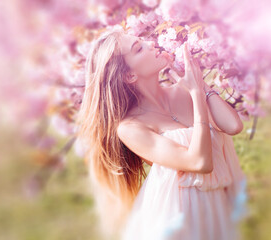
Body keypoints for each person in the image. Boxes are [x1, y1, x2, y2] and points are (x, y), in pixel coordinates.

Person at [76, 29, 249, 240]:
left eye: (143, 41)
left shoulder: (183, 91)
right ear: (129, 75)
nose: (151, 44)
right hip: (178, 219)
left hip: (215, 207)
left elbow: (233, 126)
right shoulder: (131, 127)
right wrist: (196, 95)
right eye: (139, 49)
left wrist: (200, 86)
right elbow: (199, 163)